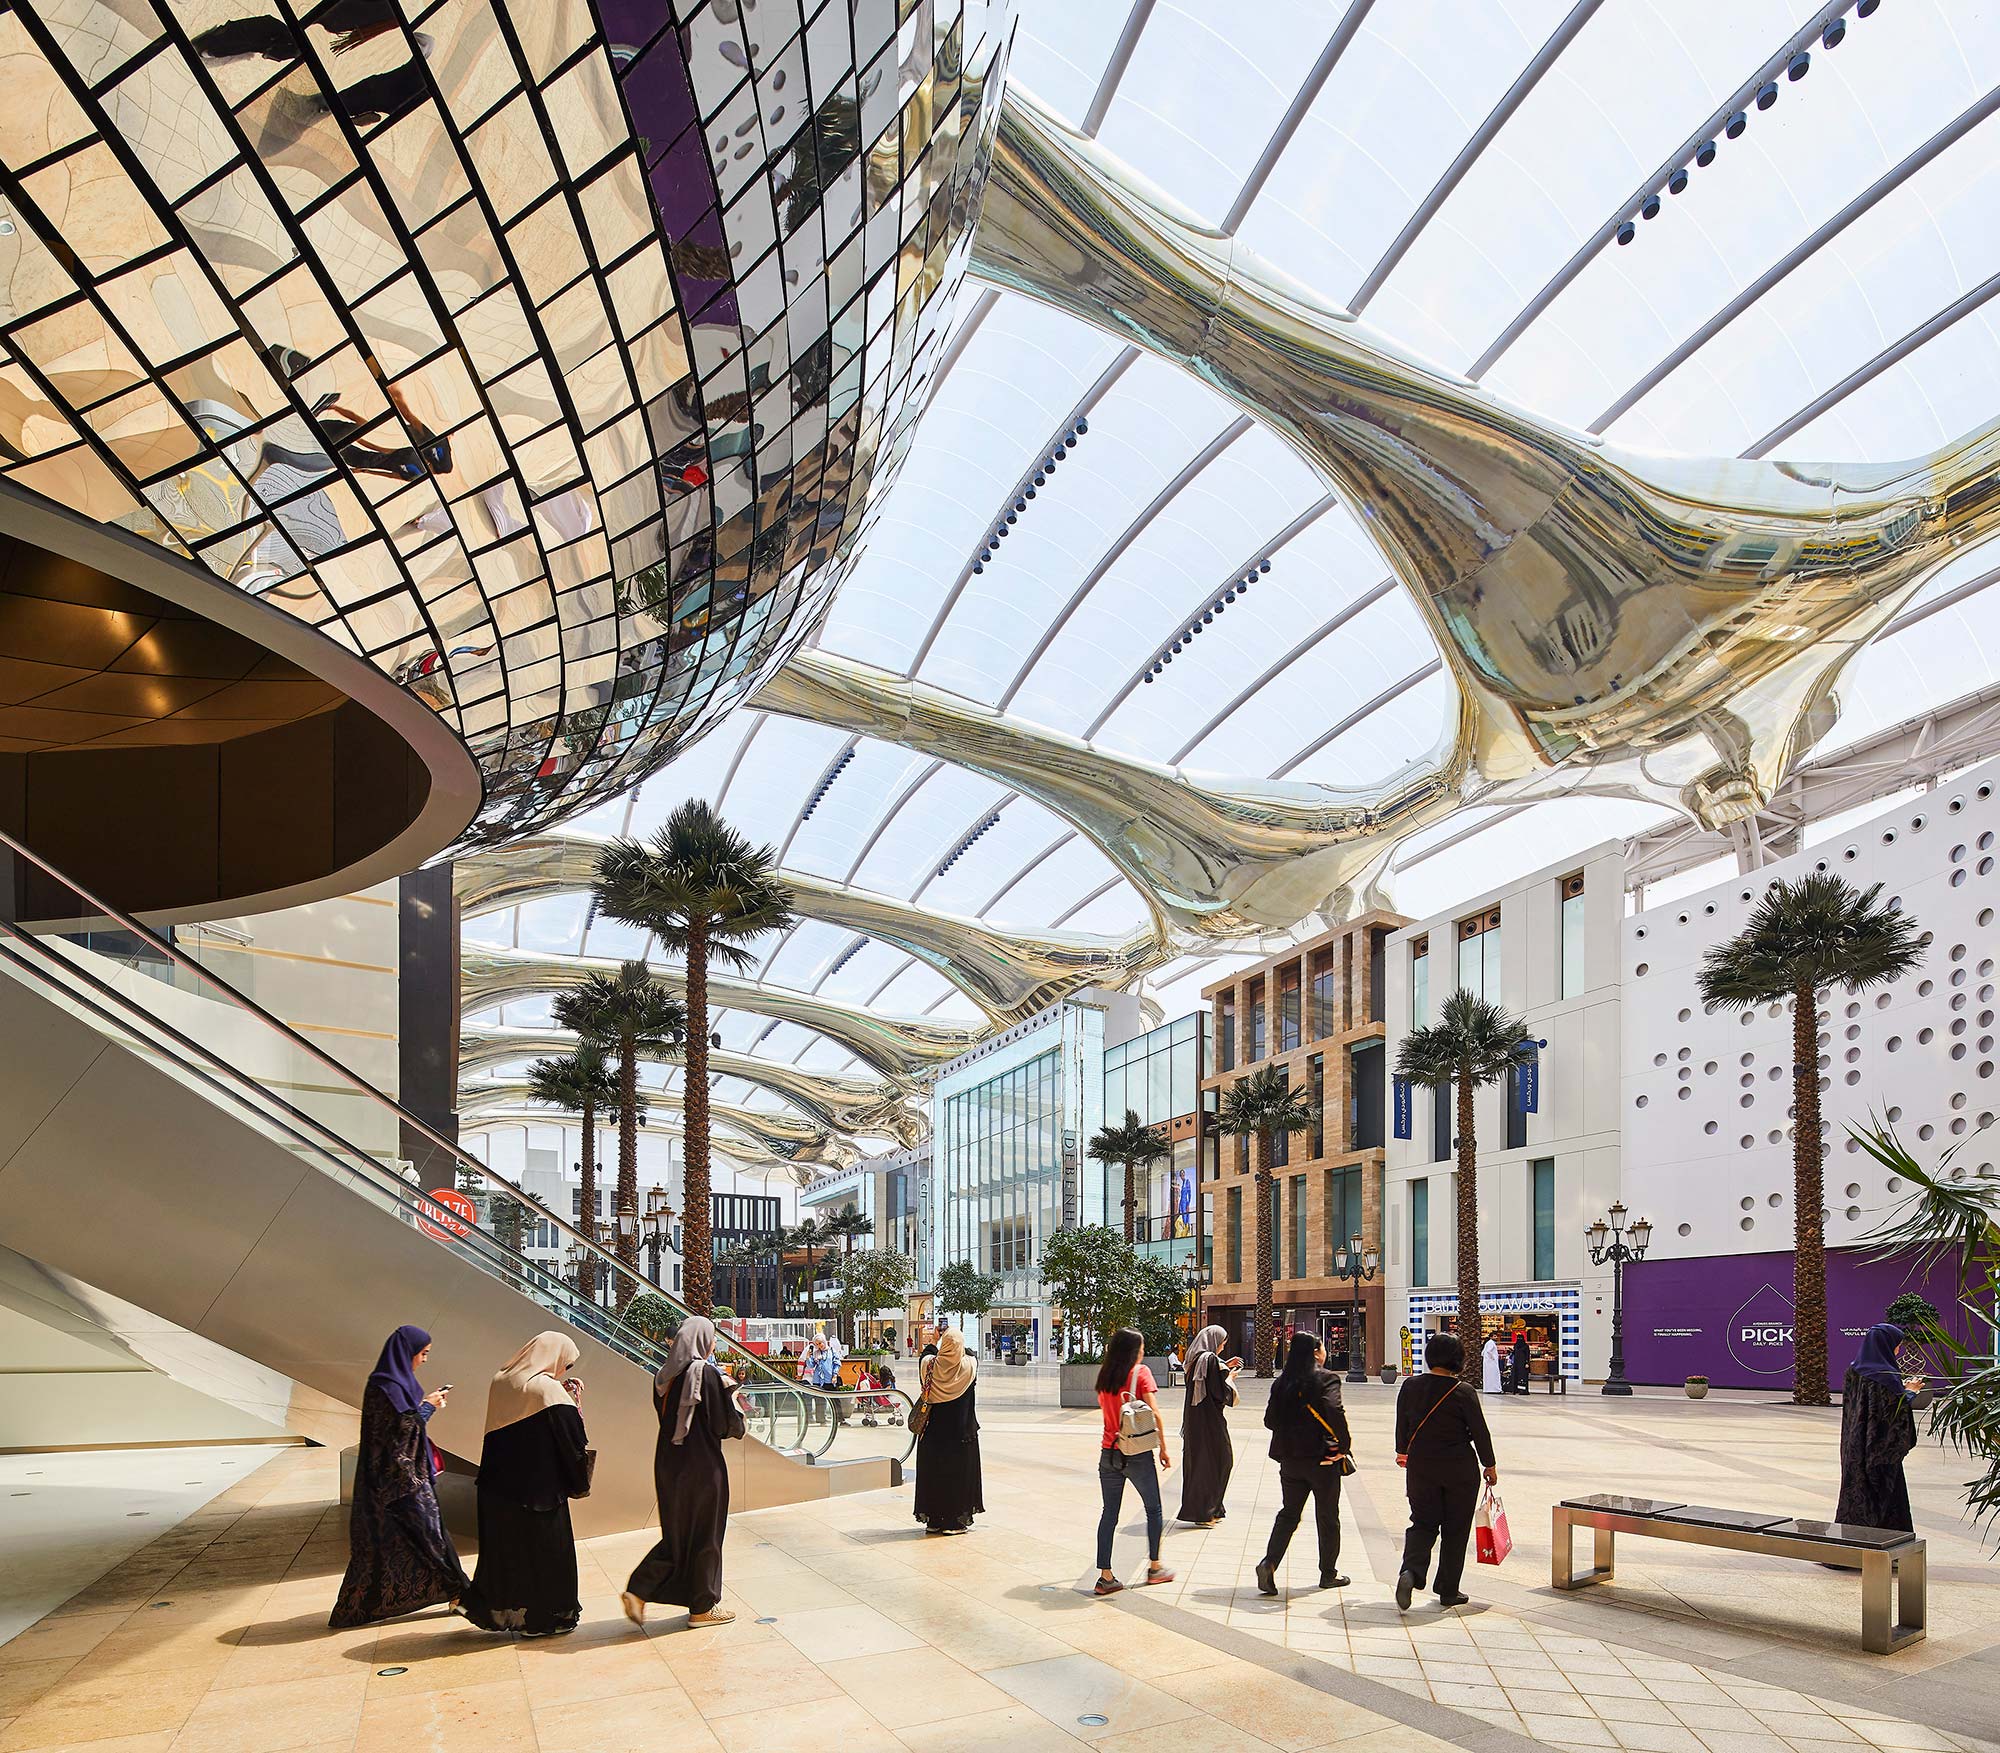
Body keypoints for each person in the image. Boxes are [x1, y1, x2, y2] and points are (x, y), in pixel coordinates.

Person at [330, 1325, 469, 1627]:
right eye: (423, 1354)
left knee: (427, 1537)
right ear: (408, 1353)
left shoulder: (391, 1384)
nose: (424, 1360)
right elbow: (402, 1432)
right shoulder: (386, 1387)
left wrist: (425, 1406)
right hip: (400, 1482)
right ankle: (462, 1593)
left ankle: (459, 1592)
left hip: (402, 1478)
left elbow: (402, 1424)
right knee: (429, 1537)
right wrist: (429, 1407)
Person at [462, 1332, 592, 1637]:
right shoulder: (547, 1391)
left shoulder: (502, 1380)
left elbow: (526, 1419)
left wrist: (559, 1390)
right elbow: (572, 1440)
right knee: (547, 1557)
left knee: (510, 1555)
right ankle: (545, 1621)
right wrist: (571, 1401)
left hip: (498, 1488)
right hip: (539, 1493)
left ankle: (502, 1611)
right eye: (566, 1365)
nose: (563, 1372)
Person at [622, 1318, 746, 1628]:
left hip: (668, 1462)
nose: (714, 1344)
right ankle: (702, 1607)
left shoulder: (664, 1376)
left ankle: (639, 1589)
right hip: (702, 1464)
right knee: (706, 1532)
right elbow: (725, 1425)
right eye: (712, 1338)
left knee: (678, 1531)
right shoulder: (705, 1373)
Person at [1394, 1332, 1497, 1611]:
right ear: (1458, 1359)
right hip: (1459, 1469)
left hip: (1421, 1466)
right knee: (1455, 1528)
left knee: (1422, 1522)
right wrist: (1489, 1464)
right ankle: (1448, 1590)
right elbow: (1479, 1432)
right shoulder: (1462, 1391)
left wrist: (1402, 1450)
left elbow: (1402, 1424)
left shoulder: (1410, 1386)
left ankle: (1411, 1572)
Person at [1255, 1332, 1352, 1594]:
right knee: (1328, 1516)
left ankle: (1270, 1561)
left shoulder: (1281, 1383)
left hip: (1290, 1461)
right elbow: (1334, 1410)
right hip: (1322, 1459)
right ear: (1316, 1351)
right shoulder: (1327, 1378)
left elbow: (1269, 1421)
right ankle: (1328, 1574)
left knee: (1288, 1514)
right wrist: (1343, 1446)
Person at [1093, 1328, 1174, 1596]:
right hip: (1137, 1454)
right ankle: (1155, 1568)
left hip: (1109, 1453)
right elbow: (1154, 1413)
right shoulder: (1141, 1373)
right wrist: (1163, 1447)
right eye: (1140, 1347)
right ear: (1132, 1351)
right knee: (1154, 1509)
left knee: (1109, 1514)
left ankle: (1105, 1576)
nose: (1142, 1352)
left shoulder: (1105, 1376)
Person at [1835, 1323, 1923, 1532]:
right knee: (1886, 1501)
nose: (1898, 1350)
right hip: (1879, 1453)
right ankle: (1883, 1551)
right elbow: (1893, 1416)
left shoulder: (1853, 1371)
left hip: (1853, 1448)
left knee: (1855, 1496)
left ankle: (1850, 1547)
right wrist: (1910, 1392)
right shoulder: (1885, 1376)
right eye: (1897, 1346)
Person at [913, 1329, 983, 1534]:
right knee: (957, 1478)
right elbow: (970, 1353)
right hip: (961, 1435)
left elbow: (926, 1353)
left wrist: (936, 1340)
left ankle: (933, 1520)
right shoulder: (969, 1366)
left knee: (933, 1475)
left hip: (933, 1434)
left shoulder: (929, 1365)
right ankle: (953, 1522)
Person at [1176, 1324, 1238, 1526]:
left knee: (1203, 1464)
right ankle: (1204, 1512)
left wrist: (1224, 1367)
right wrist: (1229, 1377)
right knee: (1222, 1460)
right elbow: (1219, 1393)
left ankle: (1213, 1509)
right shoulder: (1209, 1359)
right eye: (1222, 1343)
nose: (1222, 1347)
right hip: (1210, 1422)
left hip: (1196, 1422)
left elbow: (1206, 1381)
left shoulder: (1195, 1360)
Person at [1510, 1329, 1530, 1395]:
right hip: (1516, 1364)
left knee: (1522, 1377)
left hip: (1523, 1364)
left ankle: (1522, 1390)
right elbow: (1514, 1353)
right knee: (1516, 1376)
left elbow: (1527, 1355)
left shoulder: (1526, 1346)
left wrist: (1527, 1363)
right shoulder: (1516, 1345)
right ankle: (1516, 1389)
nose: (1519, 1339)